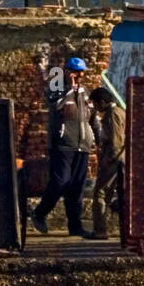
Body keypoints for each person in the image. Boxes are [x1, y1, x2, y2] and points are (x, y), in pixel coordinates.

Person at [32, 56, 95, 237]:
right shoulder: (57, 88)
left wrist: (96, 137)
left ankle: (75, 227)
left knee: (77, 188)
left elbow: (91, 116)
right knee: (60, 182)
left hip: (82, 146)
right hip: (62, 144)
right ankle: (39, 213)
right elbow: (56, 106)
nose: (80, 76)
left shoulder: (84, 92)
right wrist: (69, 88)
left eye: (82, 72)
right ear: (66, 72)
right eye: (76, 72)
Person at [89, 86, 125, 240]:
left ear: (102, 102)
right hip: (119, 159)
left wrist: (107, 160)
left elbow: (116, 142)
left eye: (96, 104)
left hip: (114, 160)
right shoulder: (120, 112)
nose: (96, 108)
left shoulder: (113, 114)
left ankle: (100, 230)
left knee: (100, 194)